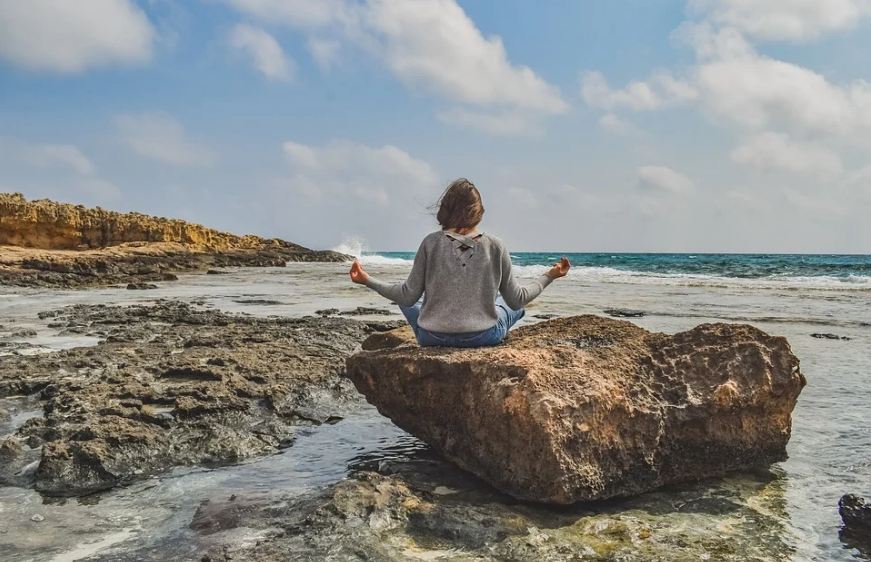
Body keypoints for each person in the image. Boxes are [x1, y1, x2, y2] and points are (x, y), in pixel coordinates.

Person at [349, 178, 570, 347]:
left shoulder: (430, 243)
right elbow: (517, 299)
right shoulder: (495, 245)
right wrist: (549, 276)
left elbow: (407, 296)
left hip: (431, 337)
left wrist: (367, 280)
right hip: (483, 337)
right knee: (509, 305)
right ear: (478, 212)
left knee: (405, 296)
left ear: (445, 209)